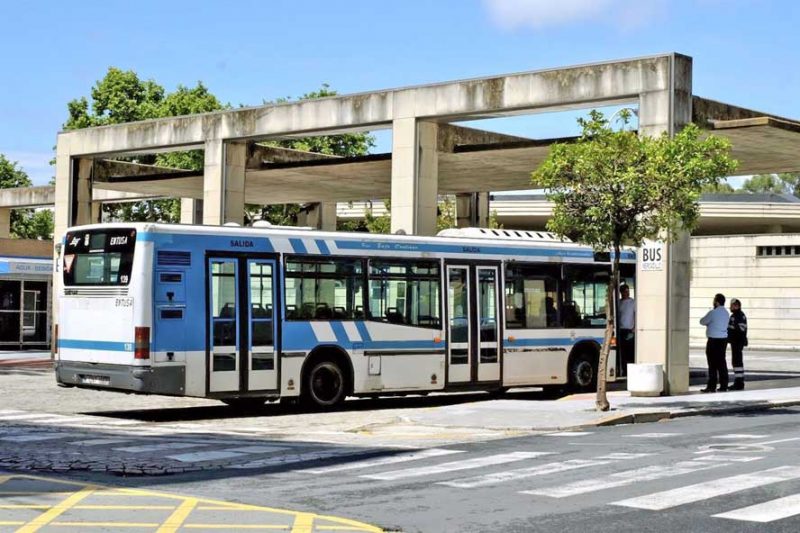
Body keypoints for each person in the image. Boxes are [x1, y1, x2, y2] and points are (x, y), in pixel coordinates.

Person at [699, 293, 730, 392]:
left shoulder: (713, 312)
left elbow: (702, 321)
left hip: (713, 340)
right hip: (723, 340)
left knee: (712, 364)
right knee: (722, 362)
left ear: (716, 302)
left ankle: (711, 386)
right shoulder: (726, 313)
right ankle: (724, 385)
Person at [728, 298, 748, 390]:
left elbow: (740, 329)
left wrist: (730, 329)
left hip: (737, 341)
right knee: (736, 361)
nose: (731, 307)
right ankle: (738, 381)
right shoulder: (737, 315)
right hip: (736, 341)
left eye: (732, 305)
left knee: (737, 361)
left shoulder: (738, 315)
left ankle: (739, 382)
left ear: (737, 306)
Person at [617, 284, 635, 375]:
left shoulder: (633, 302)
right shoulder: (619, 303)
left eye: (628, 291)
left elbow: (636, 314)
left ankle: (631, 371)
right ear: (621, 292)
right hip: (621, 330)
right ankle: (624, 370)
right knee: (622, 352)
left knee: (630, 352)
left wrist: (635, 327)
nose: (627, 293)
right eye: (624, 291)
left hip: (630, 330)